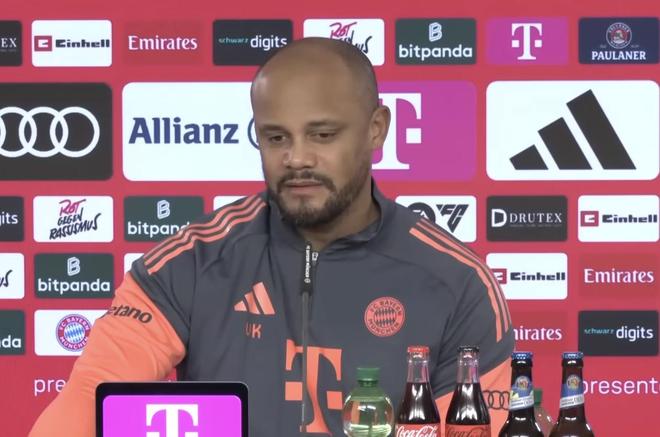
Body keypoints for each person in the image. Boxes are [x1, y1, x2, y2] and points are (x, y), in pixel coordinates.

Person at [30, 37, 514, 436]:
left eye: (322, 135)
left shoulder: (457, 283)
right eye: (276, 137)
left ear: (376, 129)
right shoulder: (190, 263)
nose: (296, 158)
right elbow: (87, 403)